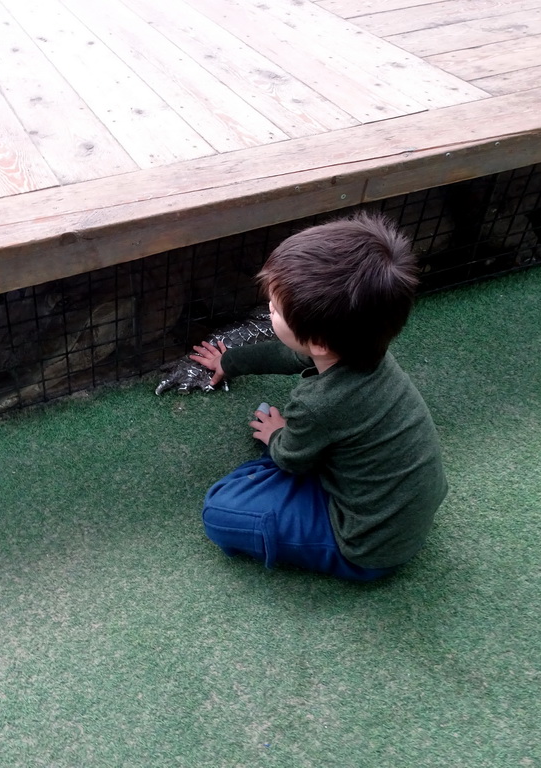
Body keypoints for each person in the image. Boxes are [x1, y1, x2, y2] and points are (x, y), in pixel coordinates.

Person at [189, 213, 447, 582]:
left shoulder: (320, 403)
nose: (269, 312)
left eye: (275, 311)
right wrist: (230, 361)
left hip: (366, 548)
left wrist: (276, 436)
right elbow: (292, 354)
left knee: (219, 512)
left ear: (319, 342)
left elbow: (291, 460)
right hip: (400, 508)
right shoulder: (363, 348)